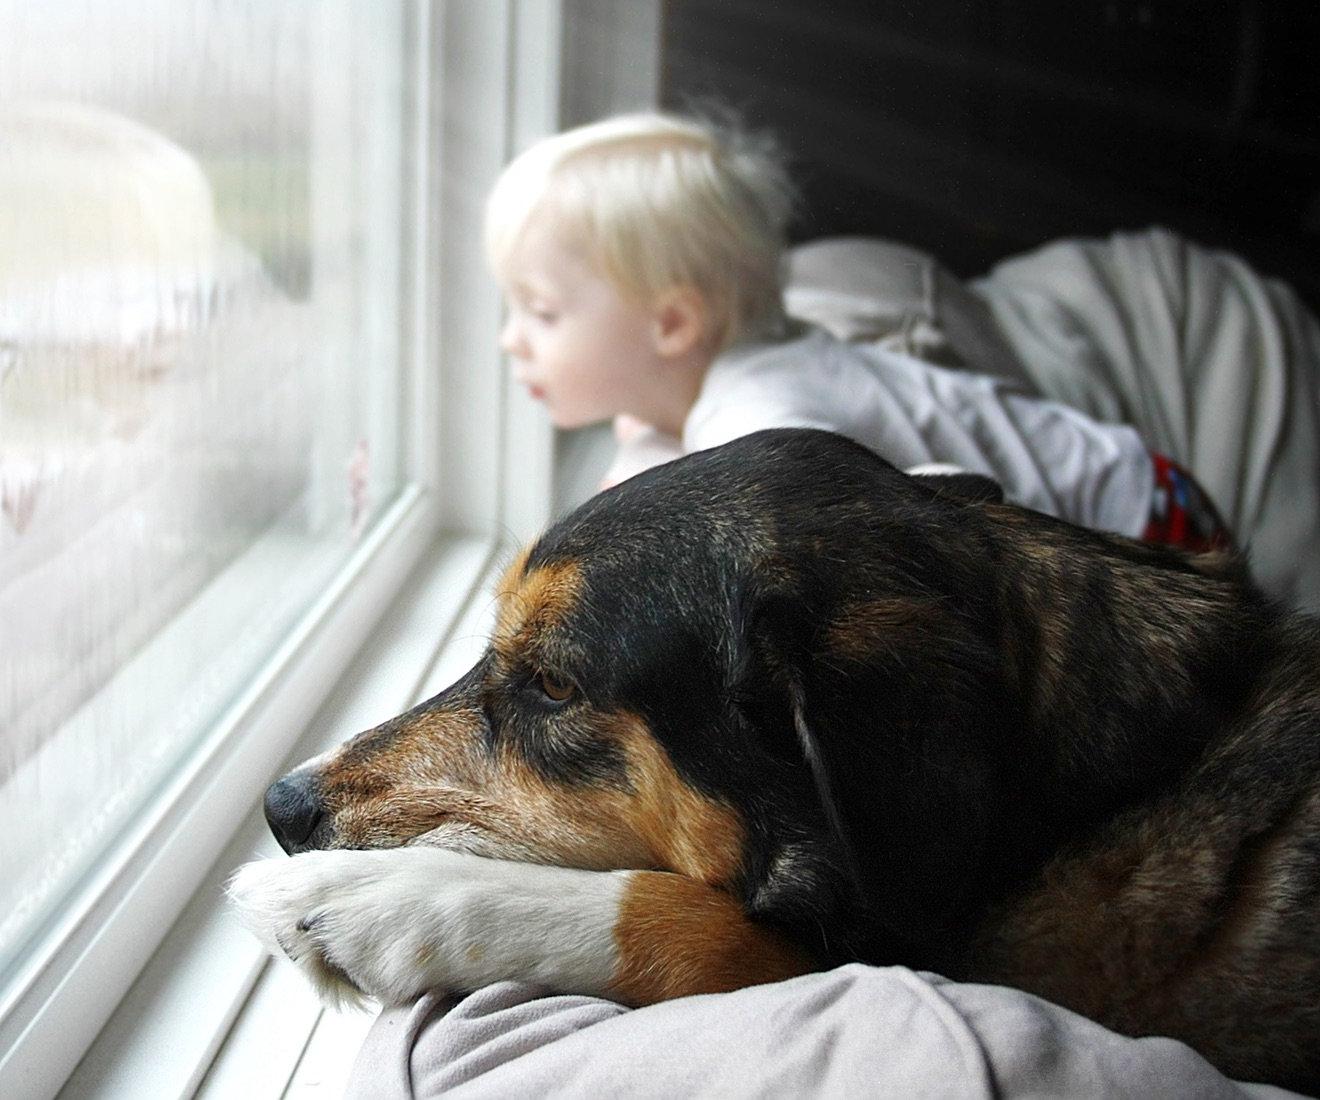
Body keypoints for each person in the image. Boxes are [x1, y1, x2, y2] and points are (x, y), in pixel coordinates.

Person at [484, 112, 1229, 550]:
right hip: (1147, 480)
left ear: (674, 323)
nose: (509, 339)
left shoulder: (765, 418)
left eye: (541, 313)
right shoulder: (717, 379)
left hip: (1147, 525)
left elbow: (909, 530)